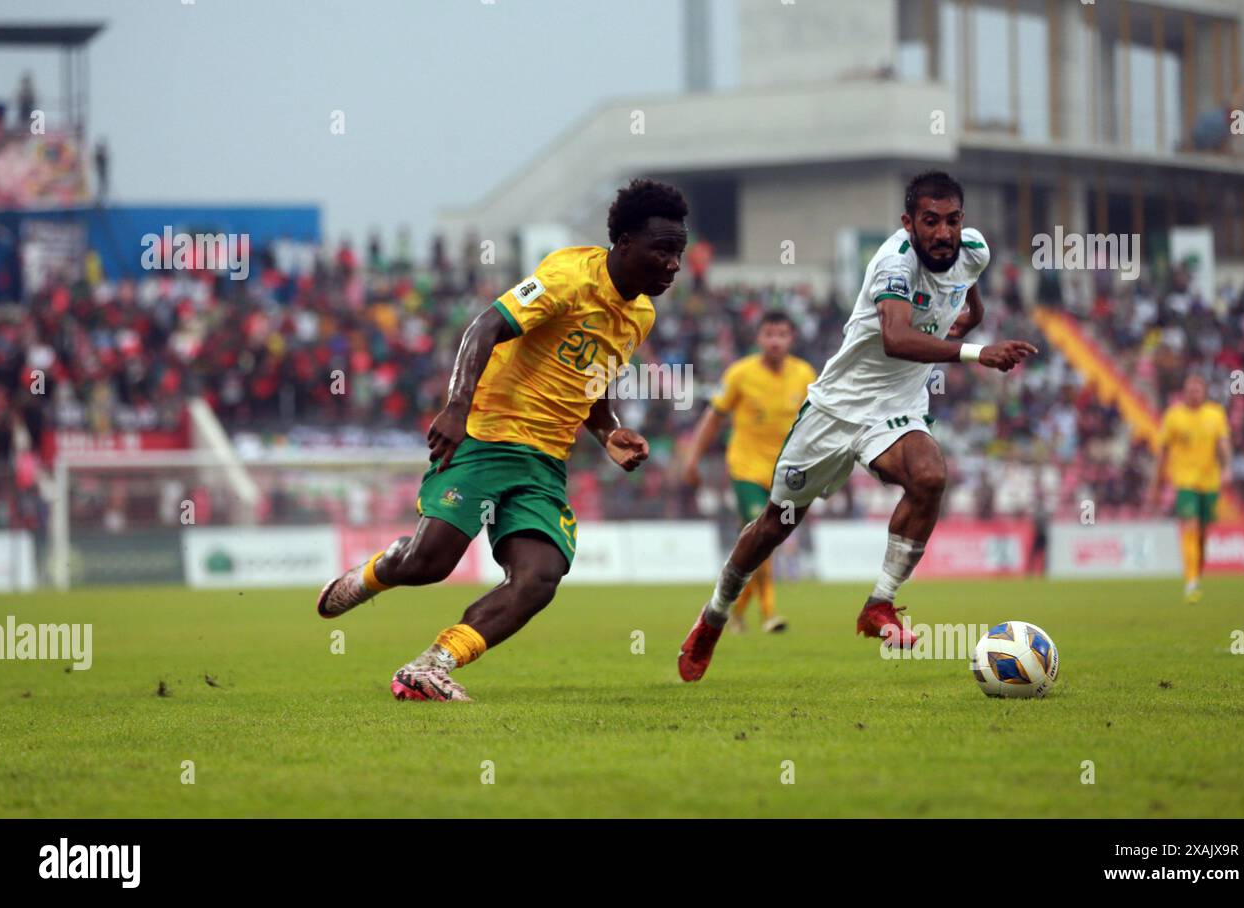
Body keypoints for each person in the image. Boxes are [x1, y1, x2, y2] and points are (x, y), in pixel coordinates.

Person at [316, 178, 689, 702]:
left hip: (544, 462)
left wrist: (609, 433)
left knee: (540, 576)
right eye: (663, 250)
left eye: (679, 252)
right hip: (487, 437)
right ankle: (376, 573)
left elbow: (591, 383)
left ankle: (433, 665)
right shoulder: (567, 276)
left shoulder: (641, 315)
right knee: (429, 565)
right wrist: (456, 407)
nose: (674, 264)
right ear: (624, 244)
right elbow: (484, 326)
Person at [678, 170, 1038, 682]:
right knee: (775, 526)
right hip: (835, 410)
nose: (943, 233)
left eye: (952, 220)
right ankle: (713, 617)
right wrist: (978, 352)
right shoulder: (894, 262)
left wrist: (971, 317)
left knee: (930, 477)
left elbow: (967, 288)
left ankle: (880, 604)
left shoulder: (973, 248)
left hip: (897, 407)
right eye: (930, 221)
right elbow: (895, 337)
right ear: (908, 223)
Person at [681, 311, 815, 633]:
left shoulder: (804, 374)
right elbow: (714, 418)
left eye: (781, 335)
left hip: (785, 474)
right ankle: (769, 614)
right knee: (764, 535)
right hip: (745, 470)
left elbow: (814, 424)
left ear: (791, 339)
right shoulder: (740, 374)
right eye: (769, 334)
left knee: (756, 545)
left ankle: (732, 611)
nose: (775, 341)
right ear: (759, 339)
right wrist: (692, 460)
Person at [1150, 374, 1231, 602]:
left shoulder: (1216, 414)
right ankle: (1191, 582)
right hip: (1184, 481)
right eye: (1190, 389)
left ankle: (1197, 574)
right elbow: (1163, 452)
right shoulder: (1173, 416)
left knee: (1203, 535)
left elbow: (1223, 444)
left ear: (1204, 392)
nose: (1194, 393)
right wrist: (1156, 484)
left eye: (1197, 390)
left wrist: (1227, 467)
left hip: (1210, 482)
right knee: (1190, 526)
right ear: (1184, 392)